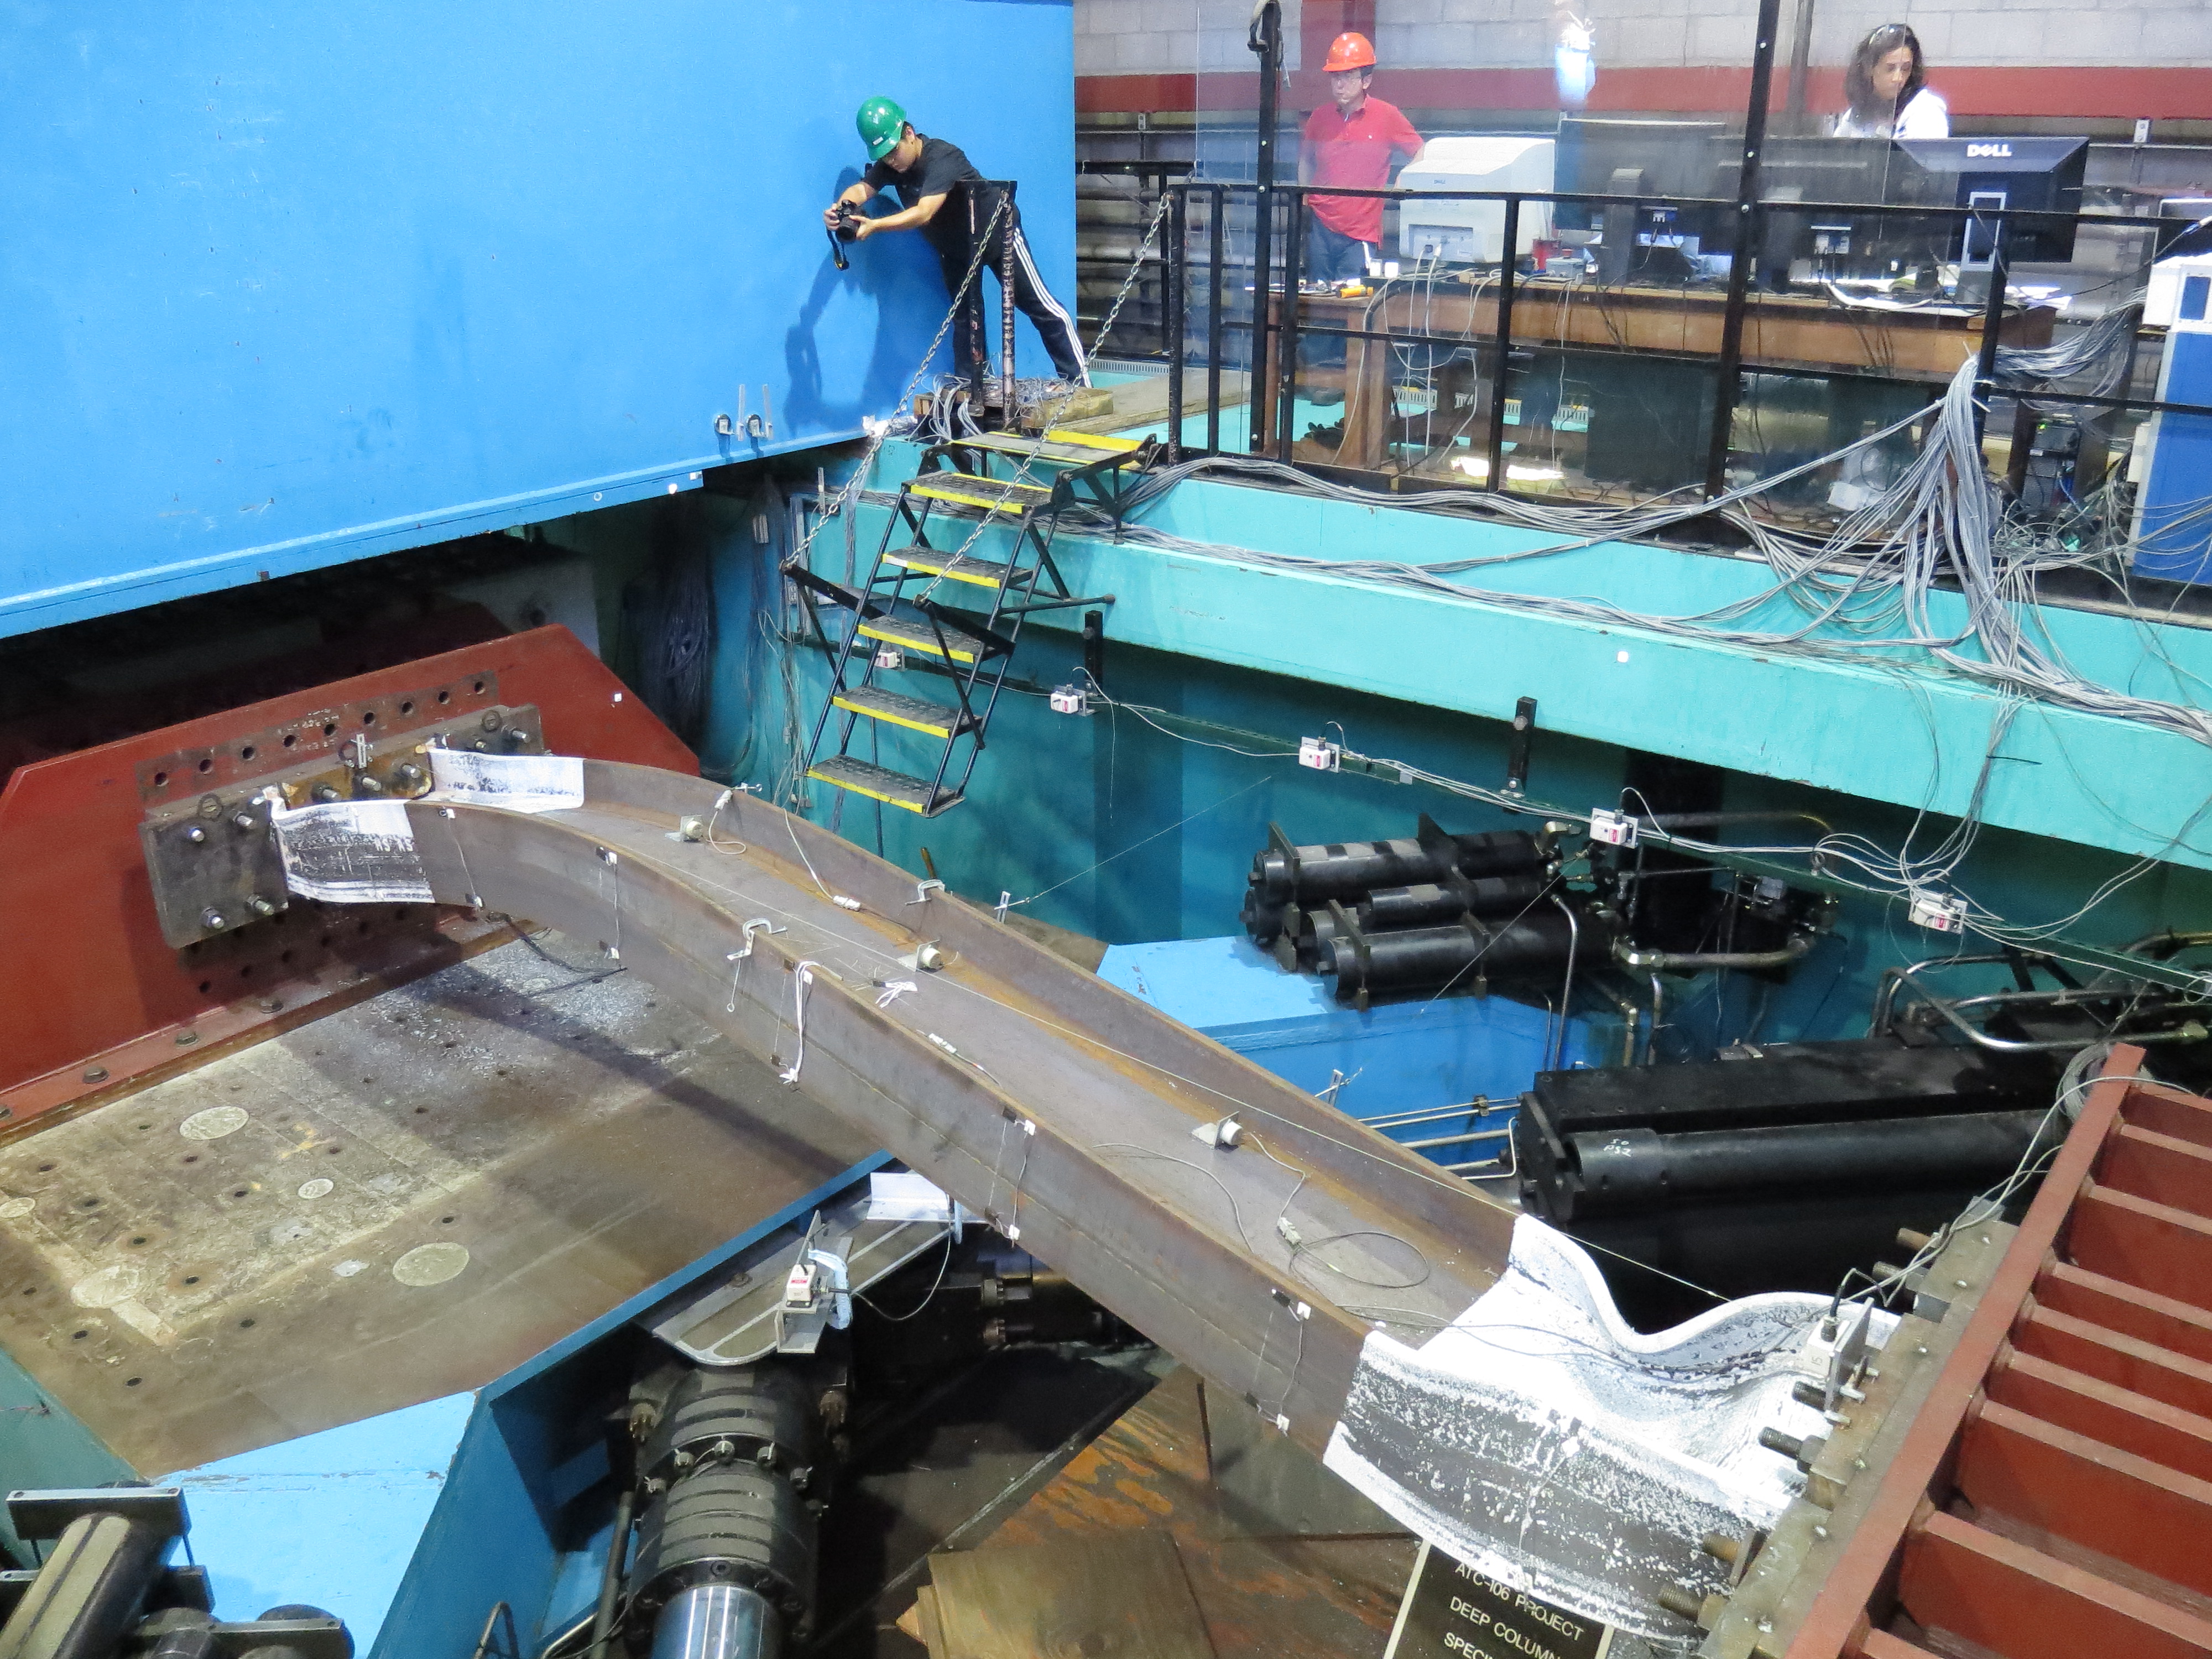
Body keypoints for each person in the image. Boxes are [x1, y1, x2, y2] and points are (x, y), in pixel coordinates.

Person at [824, 96, 1087, 388]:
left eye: (894, 151)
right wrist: (841, 209)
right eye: (884, 156)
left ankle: (1080, 383)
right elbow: (862, 188)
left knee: (1039, 306)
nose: (891, 160)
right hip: (956, 249)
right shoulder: (892, 165)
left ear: (909, 133)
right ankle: (971, 390)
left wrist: (874, 225)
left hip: (999, 235)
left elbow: (924, 212)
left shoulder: (943, 157)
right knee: (966, 320)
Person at [1298, 33, 1423, 281]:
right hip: (1320, 228)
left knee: (1353, 301)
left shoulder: (1387, 116)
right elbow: (1306, 160)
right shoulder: (1320, 118)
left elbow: (1420, 152)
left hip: (1361, 233)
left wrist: (1403, 180)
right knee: (1316, 298)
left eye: (1347, 76)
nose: (1339, 84)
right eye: (1335, 77)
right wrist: (1305, 199)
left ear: (1366, 81)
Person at [1833, 23, 1949, 139]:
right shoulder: (1854, 117)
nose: (1898, 78)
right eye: (1890, 69)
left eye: (1905, 69)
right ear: (1868, 69)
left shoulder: (1926, 110)